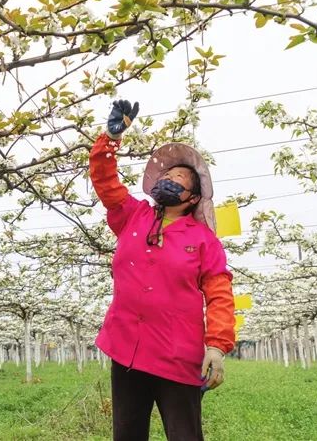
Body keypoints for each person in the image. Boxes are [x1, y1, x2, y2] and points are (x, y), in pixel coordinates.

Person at [89, 101, 235, 441]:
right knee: (127, 434)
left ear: (193, 198)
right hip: (127, 349)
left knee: (185, 435)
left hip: (177, 357)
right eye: (167, 175)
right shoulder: (133, 216)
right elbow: (105, 181)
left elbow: (219, 294)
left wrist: (216, 345)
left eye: (180, 179)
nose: (170, 179)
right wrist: (111, 139)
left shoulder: (203, 240)